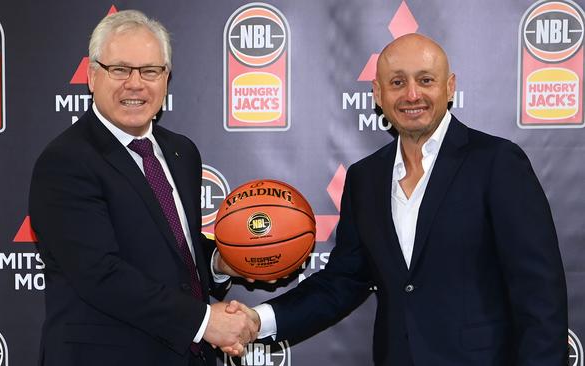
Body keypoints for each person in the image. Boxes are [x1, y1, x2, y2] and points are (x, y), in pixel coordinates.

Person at [227, 33, 568, 365]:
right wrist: (257, 321)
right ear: (377, 93)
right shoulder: (365, 178)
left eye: (426, 80)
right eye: (397, 82)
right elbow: (343, 281)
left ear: (449, 87)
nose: (412, 94)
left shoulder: (497, 162)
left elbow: (539, 294)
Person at [29, 10, 257, 366]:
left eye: (150, 70)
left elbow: (171, 246)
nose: (135, 84)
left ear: (166, 79)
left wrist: (217, 262)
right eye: (120, 69)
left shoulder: (182, 152)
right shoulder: (66, 161)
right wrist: (203, 322)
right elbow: (100, 274)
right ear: (92, 76)